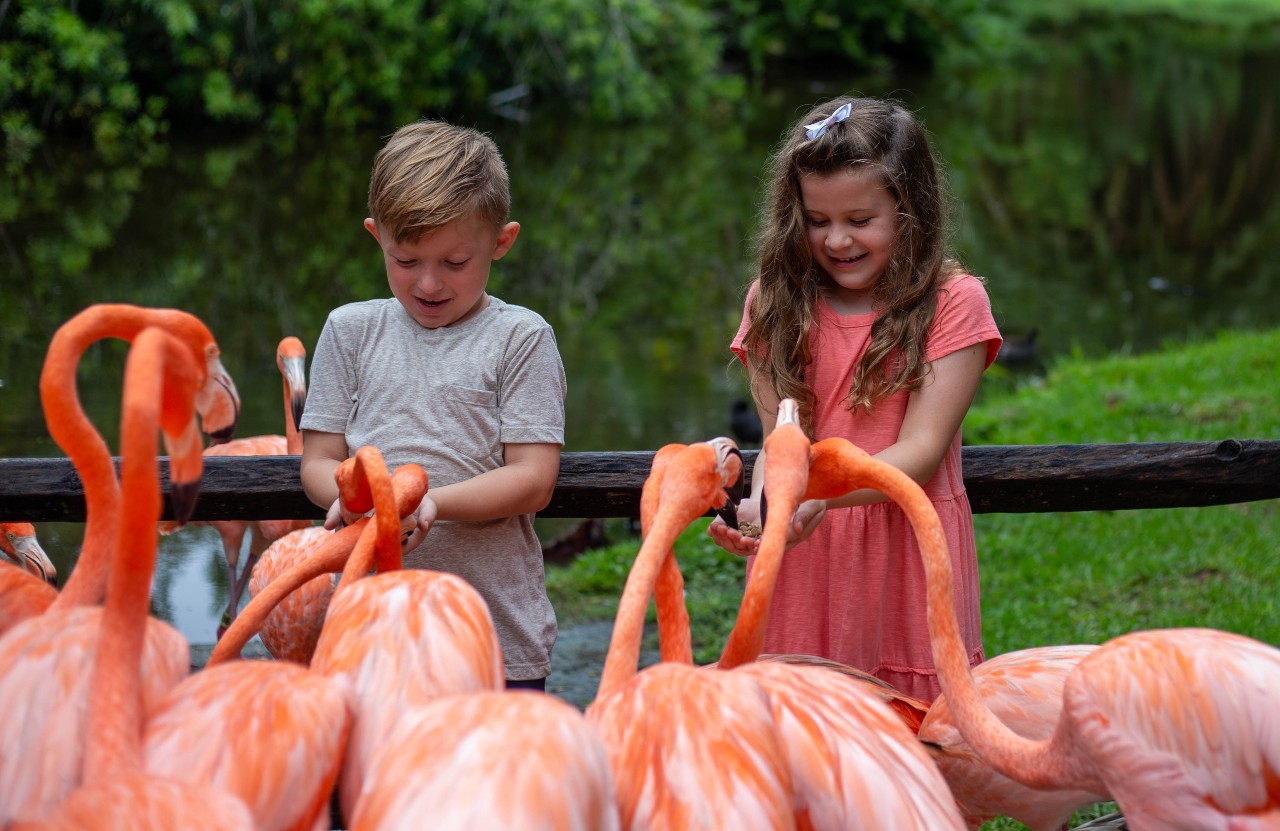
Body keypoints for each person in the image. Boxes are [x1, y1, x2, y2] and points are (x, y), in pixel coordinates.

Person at [708, 96, 1002, 701]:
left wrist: (813, 493)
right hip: (807, 555)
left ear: (910, 210)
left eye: (860, 220)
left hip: (907, 547)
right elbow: (781, 443)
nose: (836, 239)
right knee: (802, 733)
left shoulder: (953, 304)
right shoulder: (773, 303)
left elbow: (919, 451)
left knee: (918, 740)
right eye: (817, 220)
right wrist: (764, 514)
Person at [299, 119, 567, 691]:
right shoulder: (349, 332)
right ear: (377, 236)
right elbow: (317, 462)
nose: (428, 283)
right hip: (372, 635)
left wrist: (427, 506)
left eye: (454, 263)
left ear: (502, 241)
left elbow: (534, 479)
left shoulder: (521, 339)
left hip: (493, 640)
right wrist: (358, 501)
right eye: (406, 260)